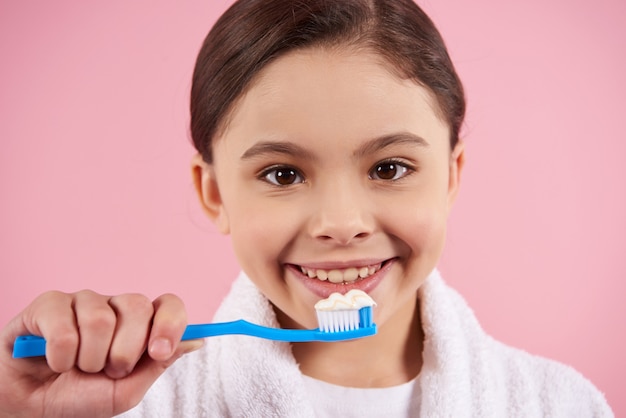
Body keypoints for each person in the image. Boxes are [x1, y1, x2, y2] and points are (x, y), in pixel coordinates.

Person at [0, 0, 613, 416]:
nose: (341, 223)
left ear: (450, 176)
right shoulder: (148, 406)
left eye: (390, 168)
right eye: (283, 173)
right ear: (214, 193)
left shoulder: (557, 404)